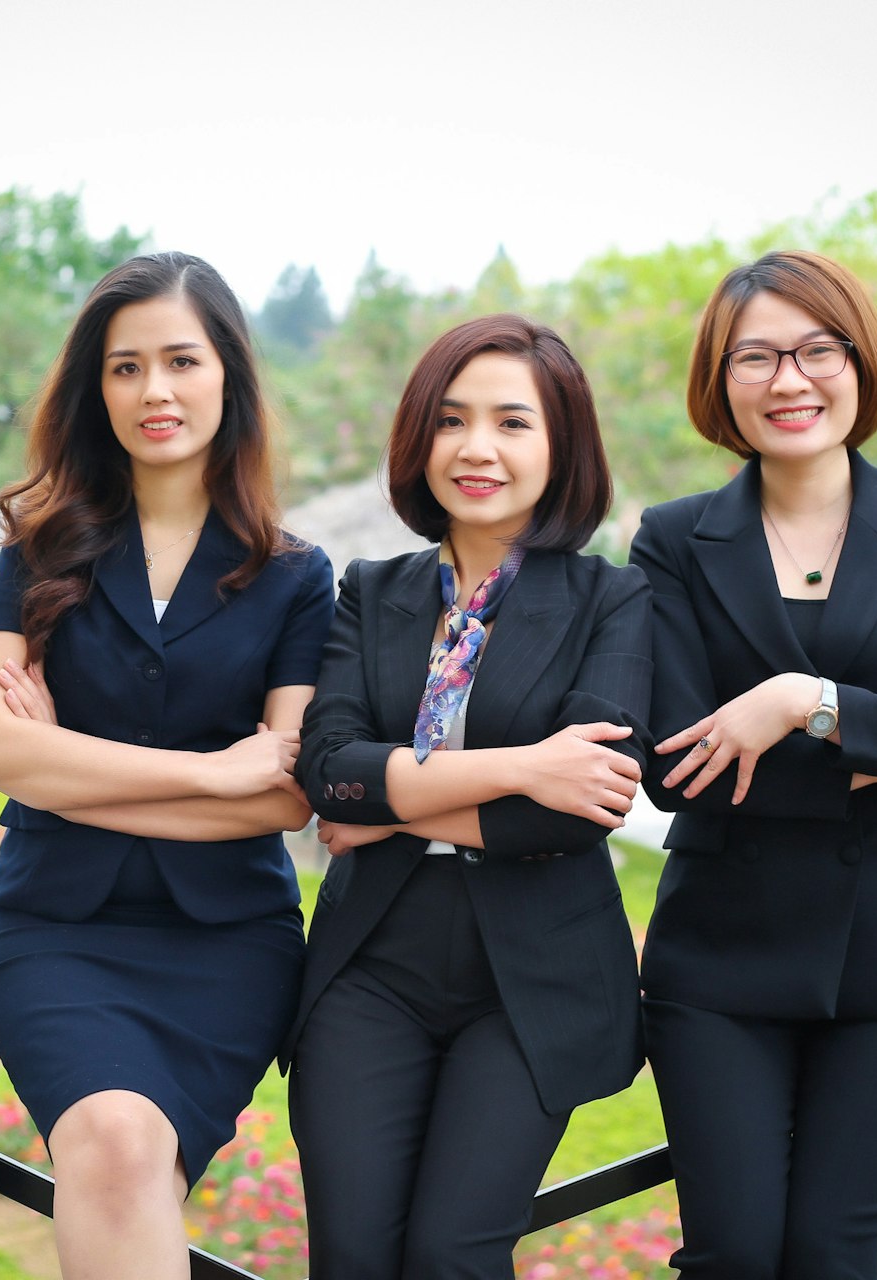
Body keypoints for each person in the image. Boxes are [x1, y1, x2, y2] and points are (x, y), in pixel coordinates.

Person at [628, 249, 877, 1278]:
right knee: (737, 1255)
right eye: (754, 357)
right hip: (719, 962)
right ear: (721, 382)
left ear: (861, 360)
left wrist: (804, 702)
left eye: (816, 349)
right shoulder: (673, 541)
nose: (789, 380)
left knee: (835, 1255)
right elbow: (676, 769)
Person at [0, 251, 334, 1280]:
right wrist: (214, 774)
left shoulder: (298, 576)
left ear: (231, 378)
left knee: (129, 1177)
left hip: (225, 941)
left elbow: (286, 790)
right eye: (126, 367)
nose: (154, 390)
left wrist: (66, 767)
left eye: (181, 360)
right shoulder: (40, 547)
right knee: (116, 1149)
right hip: (53, 929)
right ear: (97, 386)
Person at [285, 314, 652, 1278]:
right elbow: (326, 767)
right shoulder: (372, 589)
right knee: (353, 1257)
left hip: (532, 976)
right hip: (371, 964)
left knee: (453, 1256)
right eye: (451, 420)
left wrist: (390, 801)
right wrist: (526, 763)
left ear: (560, 444)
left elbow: (580, 810)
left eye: (512, 423)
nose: (477, 448)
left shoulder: (613, 601)